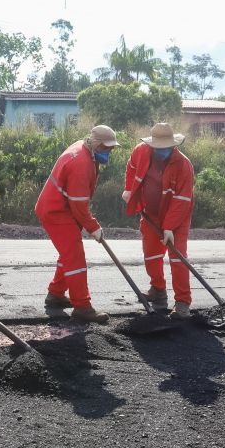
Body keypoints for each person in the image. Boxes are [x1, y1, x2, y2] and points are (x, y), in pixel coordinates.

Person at [35, 125, 119, 324]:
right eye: (108, 148)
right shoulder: (81, 162)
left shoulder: (85, 150)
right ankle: (82, 306)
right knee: (76, 258)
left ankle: (55, 295)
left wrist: (88, 224)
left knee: (68, 254)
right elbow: (79, 205)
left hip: (62, 207)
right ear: (97, 144)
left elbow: (78, 203)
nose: (110, 152)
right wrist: (94, 227)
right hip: (57, 211)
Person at [122, 123, 195, 319]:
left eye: (166, 148)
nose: (162, 151)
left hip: (176, 217)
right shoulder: (141, 152)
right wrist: (129, 190)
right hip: (150, 213)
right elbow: (131, 168)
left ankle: (182, 303)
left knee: (178, 259)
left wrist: (169, 227)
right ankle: (158, 289)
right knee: (151, 255)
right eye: (158, 148)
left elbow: (182, 200)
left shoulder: (183, 165)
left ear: (173, 145)